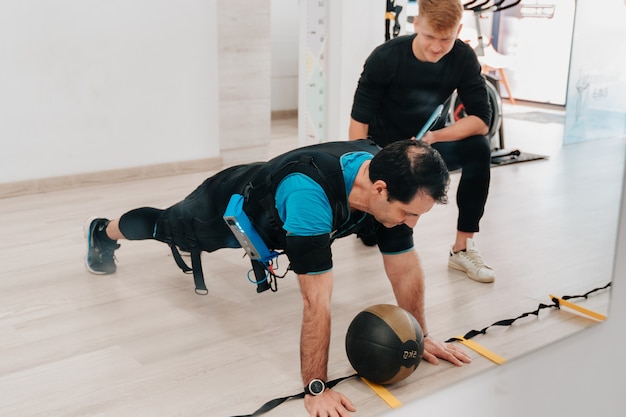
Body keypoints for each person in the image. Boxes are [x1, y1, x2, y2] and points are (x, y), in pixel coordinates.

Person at [84, 138, 471, 417]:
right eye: (408, 213)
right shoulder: (309, 196)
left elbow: (403, 267)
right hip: (224, 202)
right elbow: (315, 301)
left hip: (275, 198)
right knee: (165, 224)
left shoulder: (387, 180)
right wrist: (316, 388)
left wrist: (417, 336)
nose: (412, 223)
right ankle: (105, 232)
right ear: (380, 189)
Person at [349, 0, 496, 284]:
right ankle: (368, 223)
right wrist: (364, 171)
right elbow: (358, 123)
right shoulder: (385, 58)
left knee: (479, 147)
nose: (437, 47)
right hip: (383, 152)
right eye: (429, 36)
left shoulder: (463, 57)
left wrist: (434, 137)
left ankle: (462, 248)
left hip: (427, 144)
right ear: (416, 25)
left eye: (446, 39)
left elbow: (481, 120)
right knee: (373, 233)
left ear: (459, 30)